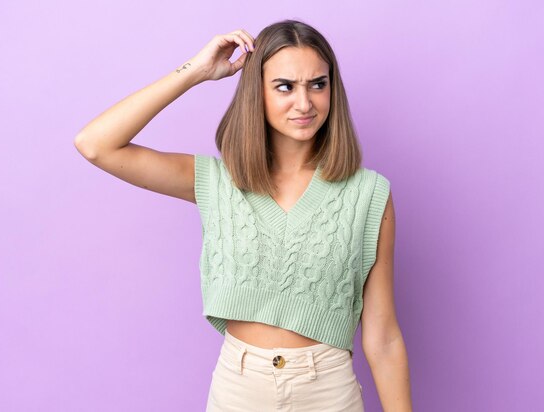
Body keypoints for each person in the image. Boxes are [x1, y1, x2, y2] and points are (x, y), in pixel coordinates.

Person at [74, 19, 412, 412]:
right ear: (257, 91)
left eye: (317, 84)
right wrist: (195, 72)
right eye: (285, 86)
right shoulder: (217, 181)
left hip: (329, 392)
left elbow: (383, 335)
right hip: (238, 390)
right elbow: (96, 144)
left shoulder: (368, 194)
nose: (304, 103)